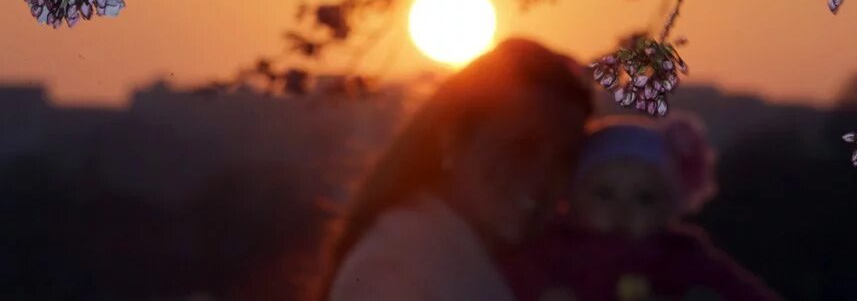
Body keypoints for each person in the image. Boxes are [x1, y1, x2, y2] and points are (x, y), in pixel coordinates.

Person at [322, 38, 594, 301]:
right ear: (451, 138)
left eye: (564, 159)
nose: (542, 175)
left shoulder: (523, 268)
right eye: (520, 148)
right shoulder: (395, 268)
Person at [506, 115, 780, 301]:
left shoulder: (684, 256)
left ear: (671, 206)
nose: (623, 211)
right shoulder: (549, 249)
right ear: (572, 196)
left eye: (645, 198)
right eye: (604, 194)